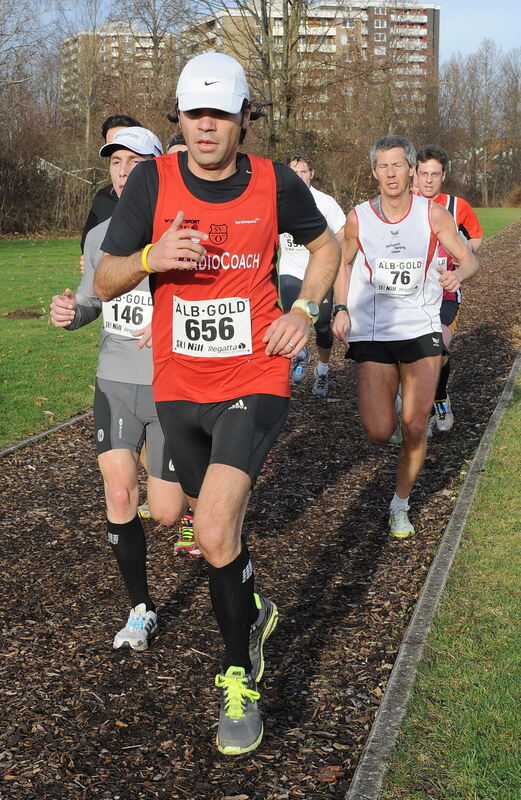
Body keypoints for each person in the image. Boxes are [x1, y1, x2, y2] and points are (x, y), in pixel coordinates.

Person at [94, 52, 340, 756]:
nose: (206, 128)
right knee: (206, 533)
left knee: (213, 531)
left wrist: (308, 309)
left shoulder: (274, 182)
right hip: (177, 385)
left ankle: (238, 678)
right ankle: (252, 607)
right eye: (195, 114)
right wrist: (150, 257)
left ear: (243, 119)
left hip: (255, 374)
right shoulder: (152, 180)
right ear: (180, 117)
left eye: (220, 115)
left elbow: (328, 244)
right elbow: (106, 279)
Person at [50, 126, 191, 651]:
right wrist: (72, 313)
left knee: (170, 510)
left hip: (170, 388)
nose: (124, 170)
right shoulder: (98, 237)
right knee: (117, 492)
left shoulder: (181, 234)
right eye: (116, 162)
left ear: (156, 168)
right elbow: (91, 302)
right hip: (115, 382)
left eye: (135, 160)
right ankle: (141, 607)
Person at [333, 134, 479, 539]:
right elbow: (342, 264)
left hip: (420, 326)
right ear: (374, 172)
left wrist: (457, 273)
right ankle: (397, 399)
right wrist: (341, 308)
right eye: (384, 166)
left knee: (414, 426)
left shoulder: (433, 216)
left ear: (411, 169)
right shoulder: (358, 217)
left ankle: (400, 504)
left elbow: (469, 258)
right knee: (380, 431)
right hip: (375, 331)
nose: (391, 173)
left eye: (399, 165)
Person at [415, 144, 483, 433]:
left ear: (444, 176)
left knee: (438, 349)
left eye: (435, 174)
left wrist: (460, 260)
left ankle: (440, 399)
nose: (429, 180)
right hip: (410, 295)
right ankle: (417, 409)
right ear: (414, 174)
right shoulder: (404, 204)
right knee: (413, 354)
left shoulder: (457, 207)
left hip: (445, 294)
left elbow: (476, 238)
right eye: (424, 173)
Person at [278, 153, 346, 396]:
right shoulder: (278, 198)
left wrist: (336, 259)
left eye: (303, 172)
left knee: (323, 327)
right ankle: (300, 354)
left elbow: (341, 234)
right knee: (291, 318)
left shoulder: (325, 203)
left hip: (318, 273)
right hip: (290, 271)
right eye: (293, 172)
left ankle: (323, 368)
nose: (298, 177)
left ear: (312, 174)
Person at [80, 114, 144, 253]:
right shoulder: (102, 198)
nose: (123, 170)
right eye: (112, 145)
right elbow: (88, 246)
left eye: (134, 159)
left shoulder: (165, 201)